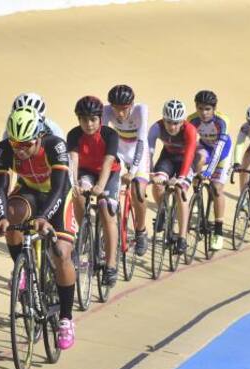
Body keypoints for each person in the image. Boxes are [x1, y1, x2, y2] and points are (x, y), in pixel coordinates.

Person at [0, 106, 78, 349]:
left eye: (26, 144)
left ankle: (66, 318)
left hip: (57, 194)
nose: (20, 150)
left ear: (39, 137)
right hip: (29, 190)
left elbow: (59, 188)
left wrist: (45, 216)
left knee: (61, 252)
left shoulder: (55, 146)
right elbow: (0, 188)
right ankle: (23, 267)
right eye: (16, 144)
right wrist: (1, 216)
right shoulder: (4, 149)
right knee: (12, 218)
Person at [68, 96, 121, 286]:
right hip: (87, 172)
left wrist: (100, 187)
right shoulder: (74, 134)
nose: (88, 124)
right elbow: (73, 160)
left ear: (100, 119)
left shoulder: (109, 135)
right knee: (79, 195)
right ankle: (84, 232)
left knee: (107, 209)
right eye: (84, 120)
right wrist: (74, 183)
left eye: (93, 119)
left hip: (110, 174)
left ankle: (111, 264)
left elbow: (108, 162)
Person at [102, 84, 151, 256]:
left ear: (131, 104)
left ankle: (141, 231)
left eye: (124, 109)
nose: (120, 113)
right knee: (110, 188)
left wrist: (133, 171)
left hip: (139, 153)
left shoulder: (141, 110)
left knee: (138, 189)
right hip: (121, 153)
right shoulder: (106, 110)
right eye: (116, 109)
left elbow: (142, 141)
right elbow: (101, 137)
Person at [147, 99, 198, 255]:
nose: (172, 126)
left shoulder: (190, 130)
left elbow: (189, 154)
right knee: (158, 184)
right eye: (169, 122)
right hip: (168, 158)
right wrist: (150, 171)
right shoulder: (156, 127)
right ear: (163, 119)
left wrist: (181, 178)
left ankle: (182, 237)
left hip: (187, 161)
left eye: (176, 123)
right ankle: (162, 211)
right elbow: (149, 151)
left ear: (183, 121)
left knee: (180, 191)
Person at [188, 90, 232, 250]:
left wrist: (209, 171)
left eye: (207, 109)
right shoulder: (192, 120)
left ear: (214, 108)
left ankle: (218, 232)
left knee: (217, 188)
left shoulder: (222, 121)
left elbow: (219, 149)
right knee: (197, 158)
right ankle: (197, 193)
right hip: (206, 147)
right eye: (200, 108)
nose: (203, 113)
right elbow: (190, 146)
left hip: (222, 153)